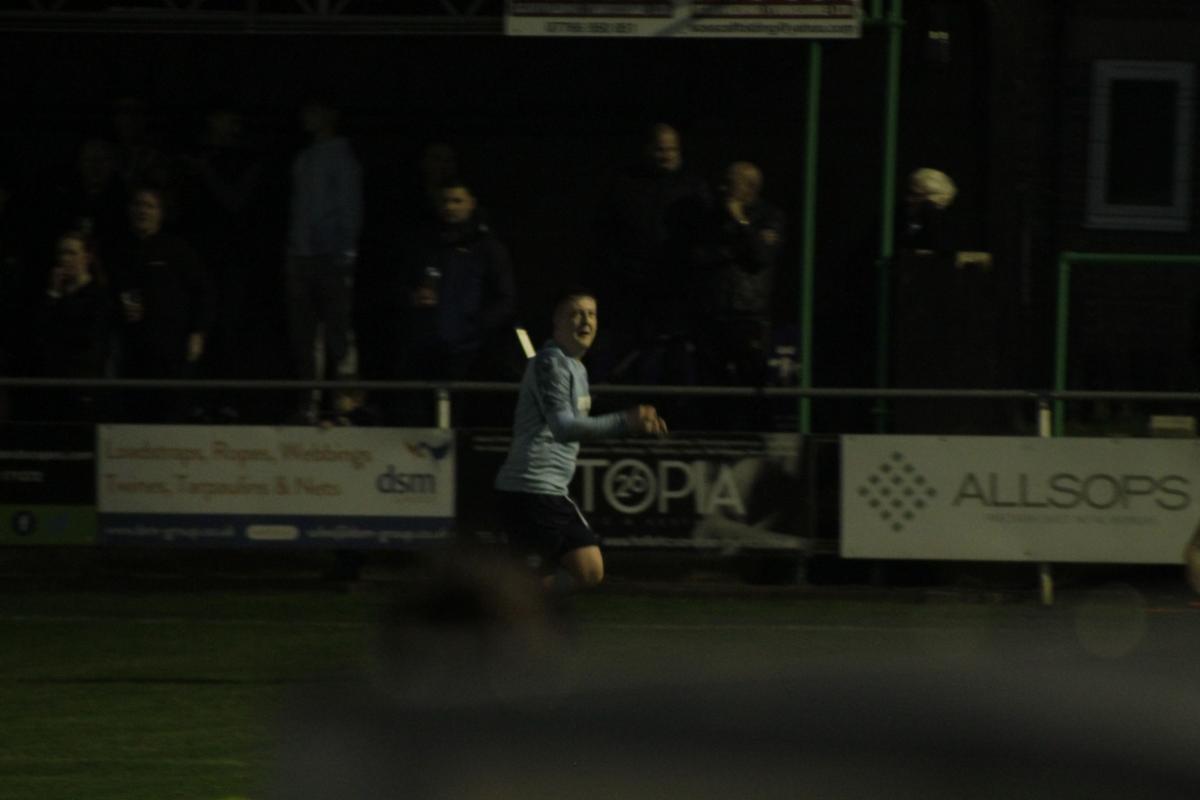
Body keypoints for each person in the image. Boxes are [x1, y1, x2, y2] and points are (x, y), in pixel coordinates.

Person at [494, 288, 667, 591]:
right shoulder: (550, 363)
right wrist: (625, 421)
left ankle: (506, 599)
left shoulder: (575, 367)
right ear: (557, 323)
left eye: (591, 314)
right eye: (575, 313)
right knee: (577, 573)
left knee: (580, 572)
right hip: (531, 491)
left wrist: (632, 421)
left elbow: (576, 426)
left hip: (546, 492)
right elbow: (564, 428)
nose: (585, 320)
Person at [382, 177, 516, 425]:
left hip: (469, 356)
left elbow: (505, 299)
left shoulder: (488, 248)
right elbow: (397, 287)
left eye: (457, 201)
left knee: (461, 419)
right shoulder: (423, 244)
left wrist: (474, 328)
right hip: (424, 351)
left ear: (471, 203)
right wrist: (413, 298)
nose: (450, 207)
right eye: (445, 201)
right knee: (422, 420)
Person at [591, 122, 710, 384]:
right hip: (631, 286)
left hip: (675, 289)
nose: (667, 155)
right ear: (647, 150)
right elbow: (605, 232)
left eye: (672, 149)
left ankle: (671, 404)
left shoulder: (692, 187)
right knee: (629, 352)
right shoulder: (624, 185)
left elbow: (704, 237)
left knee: (671, 353)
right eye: (660, 149)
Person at [689, 161, 785, 428]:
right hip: (712, 313)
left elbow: (760, 256)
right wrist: (731, 251)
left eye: (730, 183)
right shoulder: (710, 217)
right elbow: (697, 255)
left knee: (752, 383)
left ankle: (758, 439)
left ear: (750, 187)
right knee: (711, 385)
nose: (722, 188)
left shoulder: (769, 216)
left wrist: (741, 222)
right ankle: (713, 437)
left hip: (749, 315)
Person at [285, 95, 363, 422]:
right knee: (306, 338)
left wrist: (344, 254)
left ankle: (344, 406)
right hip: (301, 257)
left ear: (330, 114)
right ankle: (309, 405)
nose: (307, 116)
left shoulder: (342, 156)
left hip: (332, 258)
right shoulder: (304, 158)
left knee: (339, 334)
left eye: (314, 110)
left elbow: (349, 207)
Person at [111, 186, 213, 422]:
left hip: (171, 349)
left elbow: (203, 291)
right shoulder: (120, 251)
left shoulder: (176, 249)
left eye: (150, 206)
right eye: (138, 205)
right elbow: (111, 293)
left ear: (161, 213)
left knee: (171, 411)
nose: (143, 211)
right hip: (133, 350)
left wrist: (198, 332)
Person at [32, 229, 112, 421]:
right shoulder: (54, 295)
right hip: (53, 383)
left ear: (86, 257)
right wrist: (53, 294)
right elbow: (40, 332)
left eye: (72, 253)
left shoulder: (98, 295)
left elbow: (87, 337)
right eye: (62, 253)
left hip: (83, 385)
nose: (65, 259)